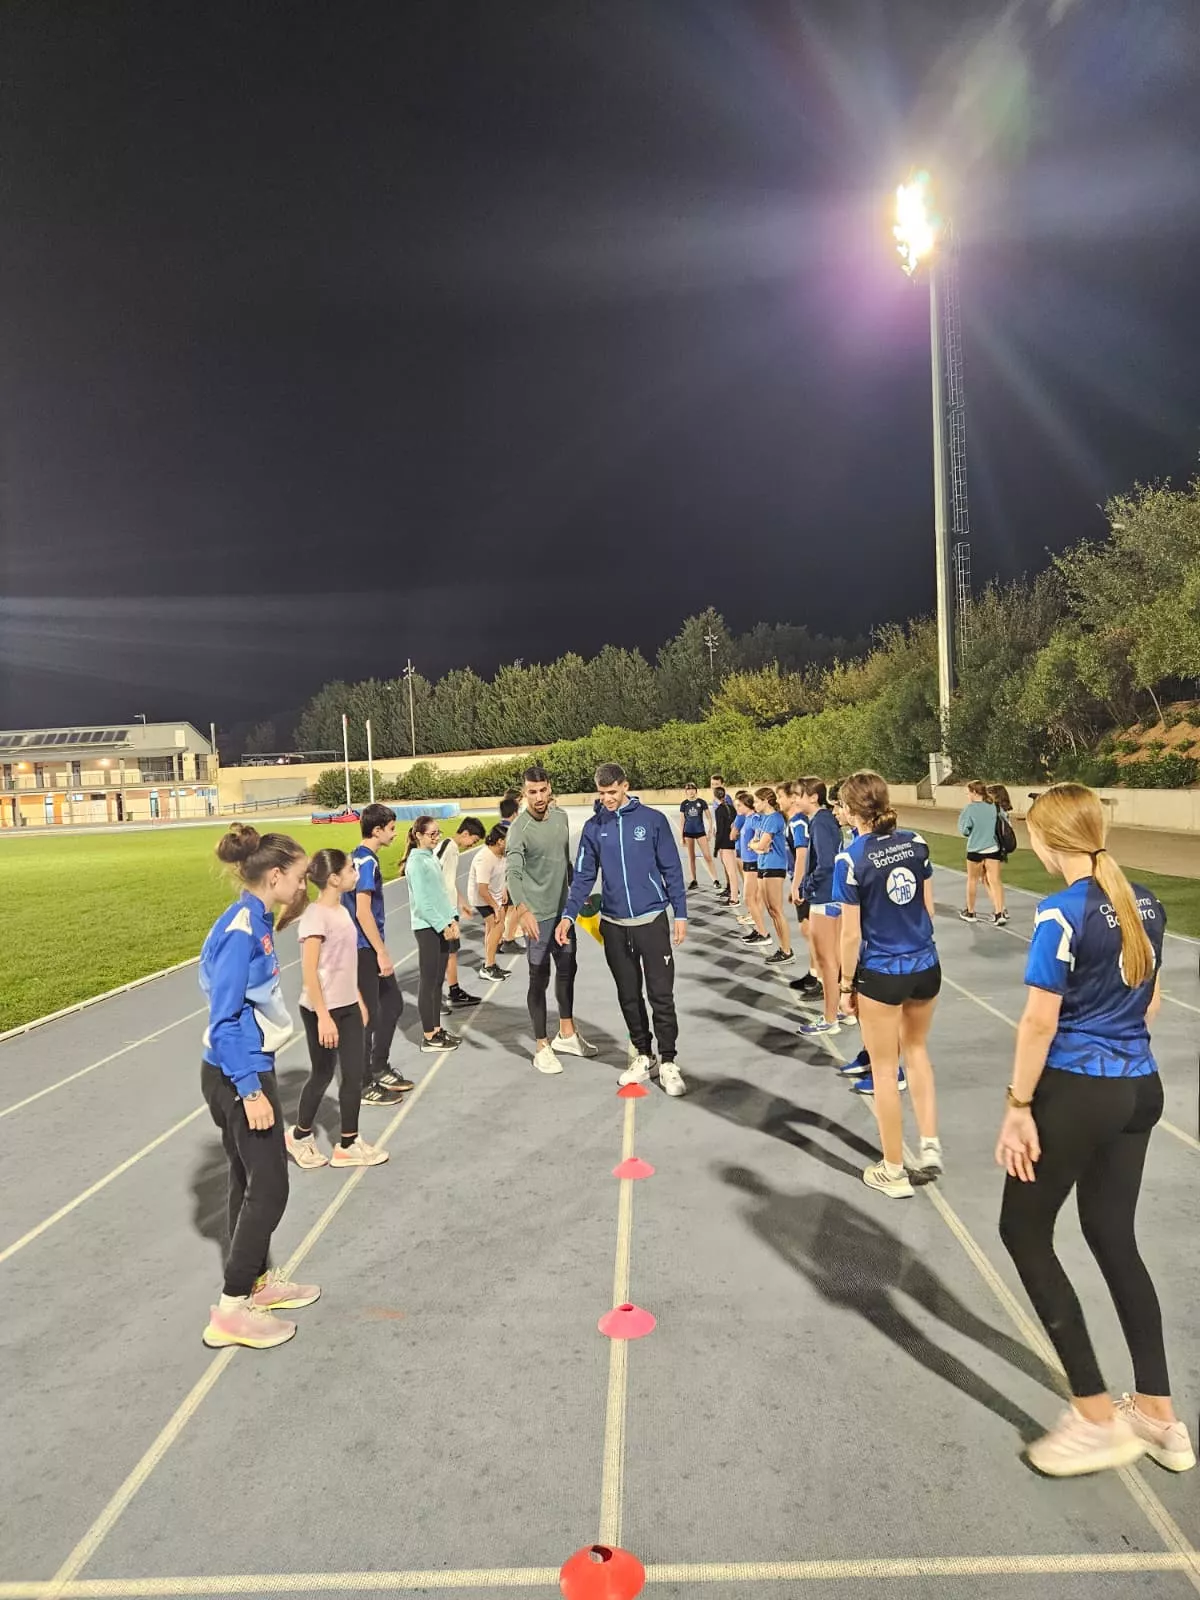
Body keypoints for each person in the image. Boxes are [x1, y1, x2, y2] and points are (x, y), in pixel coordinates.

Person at [994, 783, 1193, 1478]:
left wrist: (1020, 1105)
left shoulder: (1059, 913)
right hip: (1141, 1088)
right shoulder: (1147, 902)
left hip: (1082, 1090)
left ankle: (1094, 1414)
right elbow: (1152, 1000)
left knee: (1022, 1231)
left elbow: (1039, 1021)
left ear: (1046, 842)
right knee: (1113, 1237)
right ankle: (1161, 1418)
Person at [198, 825, 319, 1350]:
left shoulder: (257, 916)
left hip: (247, 1065)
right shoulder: (242, 931)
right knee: (270, 1186)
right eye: (297, 877)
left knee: (247, 1181)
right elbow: (223, 1020)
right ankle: (230, 1311)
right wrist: (249, 1090)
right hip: (236, 1072)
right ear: (274, 876)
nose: (302, 886)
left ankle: (258, 1283)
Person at [833, 773, 938, 1196]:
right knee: (916, 1050)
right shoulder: (917, 843)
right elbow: (927, 909)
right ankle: (930, 1145)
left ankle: (893, 1170)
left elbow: (851, 934)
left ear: (852, 810)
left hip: (883, 972)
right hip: (926, 964)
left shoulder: (851, 858)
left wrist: (845, 986)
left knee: (882, 1068)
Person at [556, 763, 688, 1096]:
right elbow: (584, 877)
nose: (607, 799)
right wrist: (569, 916)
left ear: (625, 786)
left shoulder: (652, 821)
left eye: (612, 792)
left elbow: (671, 869)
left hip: (652, 922)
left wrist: (681, 914)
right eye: (601, 794)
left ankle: (669, 1061)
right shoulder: (593, 827)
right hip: (614, 926)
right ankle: (645, 1056)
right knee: (629, 996)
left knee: (661, 995)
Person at [286, 848, 389, 1171]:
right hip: (322, 1010)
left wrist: (356, 997)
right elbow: (310, 971)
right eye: (350, 870)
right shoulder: (315, 917)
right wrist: (324, 1017)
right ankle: (300, 1135)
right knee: (322, 1074)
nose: (355, 874)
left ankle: (348, 1143)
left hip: (347, 1005)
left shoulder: (343, 911)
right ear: (334, 879)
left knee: (354, 1074)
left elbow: (344, 963)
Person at [505, 764, 597, 1075]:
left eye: (543, 790)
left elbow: (564, 858)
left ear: (550, 787)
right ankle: (541, 1045)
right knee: (539, 978)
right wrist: (522, 910)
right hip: (538, 916)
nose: (539, 797)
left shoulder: (561, 817)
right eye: (532, 792)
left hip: (564, 914)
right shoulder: (519, 829)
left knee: (568, 969)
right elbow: (513, 874)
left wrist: (576, 892)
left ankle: (567, 1034)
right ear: (524, 793)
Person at [346, 803, 411, 1105]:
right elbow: (362, 911)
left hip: (364, 946)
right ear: (377, 830)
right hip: (363, 948)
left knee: (393, 1003)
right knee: (368, 1016)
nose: (395, 834)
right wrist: (382, 952)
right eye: (392, 829)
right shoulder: (367, 863)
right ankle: (363, 1083)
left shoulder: (355, 858)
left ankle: (378, 1066)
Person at [796, 779, 855, 1035]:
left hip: (824, 896)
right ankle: (844, 1011)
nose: (796, 799)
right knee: (836, 958)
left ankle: (830, 1018)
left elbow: (826, 863)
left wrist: (807, 885)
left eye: (799, 794)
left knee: (826, 961)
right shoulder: (825, 820)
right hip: (835, 895)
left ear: (812, 797)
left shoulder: (820, 821)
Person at [401, 816, 462, 1052]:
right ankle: (429, 1035)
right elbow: (424, 904)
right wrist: (443, 925)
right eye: (432, 834)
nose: (437, 837)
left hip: (441, 924)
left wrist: (453, 917)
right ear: (418, 835)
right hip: (427, 928)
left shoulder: (431, 858)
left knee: (438, 981)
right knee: (428, 982)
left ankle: (437, 1029)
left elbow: (441, 894)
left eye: (438, 833)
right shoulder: (416, 863)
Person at [435, 817, 485, 1009]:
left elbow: (448, 880)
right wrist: (444, 911)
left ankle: (454, 990)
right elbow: (434, 873)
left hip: (449, 908)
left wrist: (461, 901)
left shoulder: (452, 849)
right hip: (443, 910)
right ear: (465, 833)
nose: (472, 845)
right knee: (445, 954)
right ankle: (448, 994)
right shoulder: (447, 847)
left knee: (451, 952)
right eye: (473, 840)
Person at [781, 782, 822, 999]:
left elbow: (802, 855)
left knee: (813, 933)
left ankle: (822, 978)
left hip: (809, 884)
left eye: (782, 796)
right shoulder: (795, 822)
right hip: (803, 882)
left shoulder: (798, 823)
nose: (780, 801)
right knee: (809, 932)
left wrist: (797, 884)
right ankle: (814, 973)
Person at [748, 786, 795, 967]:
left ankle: (787, 950)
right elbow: (758, 843)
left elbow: (762, 845)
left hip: (774, 865)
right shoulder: (762, 819)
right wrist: (756, 845)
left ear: (766, 801)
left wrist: (755, 845)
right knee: (771, 910)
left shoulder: (774, 819)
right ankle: (783, 949)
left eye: (757, 801)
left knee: (776, 909)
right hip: (763, 864)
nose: (755, 804)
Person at [957, 781, 1005, 925]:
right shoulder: (993, 806)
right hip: (993, 849)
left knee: (972, 880)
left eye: (968, 792)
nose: (967, 795)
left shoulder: (969, 809)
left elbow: (964, 830)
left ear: (974, 792)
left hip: (975, 850)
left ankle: (970, 912)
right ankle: (999, 913)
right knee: (995, 881)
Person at [469, 824, 510, 981]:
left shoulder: (502, 854)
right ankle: (488, 966)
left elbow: (502, 874)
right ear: (500, 841)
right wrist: (496, 906)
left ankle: (490, 964)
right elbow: (482, 889)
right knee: (498, 926)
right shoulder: (485, 858)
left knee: (493, 928)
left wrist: (504, 890)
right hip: (483, 898)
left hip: (495, 895)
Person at [733, 789, 769, 944]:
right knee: (751, 898)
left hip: (754, 862)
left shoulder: (755, 818)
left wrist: (753, 844)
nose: (737, 808)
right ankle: (759, 930)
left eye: (740, 805)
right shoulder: (747, 818)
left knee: (749, 898)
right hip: (749, 862)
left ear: (747, 805)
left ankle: (763, 934)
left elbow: (762, 838)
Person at [679, 782, 720, 892]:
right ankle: (694, 880)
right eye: (688, 789)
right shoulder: (684, 804)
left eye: (693, 789)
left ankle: (715, 880)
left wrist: (710, 830)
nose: (691, 791)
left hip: (700, 832)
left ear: (696, 791)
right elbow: (682, 821)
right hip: (688, 833)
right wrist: (681, 836)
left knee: (707, 856)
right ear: (686, 791)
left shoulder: (701, 802)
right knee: (691, 857)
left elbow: (709, 818)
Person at [985, 784, 1013, 926]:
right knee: (988, 879)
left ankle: (1000, 910)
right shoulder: (1003, 810)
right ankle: (1000, 907)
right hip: (999, 847)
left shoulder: (995, 810)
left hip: (993, 847)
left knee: (992, 880)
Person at [711, 783, 740, 905]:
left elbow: (720, 830)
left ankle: (734, 897)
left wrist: (716, 847)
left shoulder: (719, 810)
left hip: (725, 844)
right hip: (733, 842)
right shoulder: (732, 808)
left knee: (731, 871)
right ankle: (733, 895)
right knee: (732, 871)